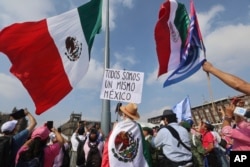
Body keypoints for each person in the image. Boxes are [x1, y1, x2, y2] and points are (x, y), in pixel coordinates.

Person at [101, 103, 152, 167]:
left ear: (124, 114)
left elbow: (108, 145)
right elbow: (143, 147)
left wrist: (114, 130)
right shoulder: (137, 127)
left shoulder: (118, 126)